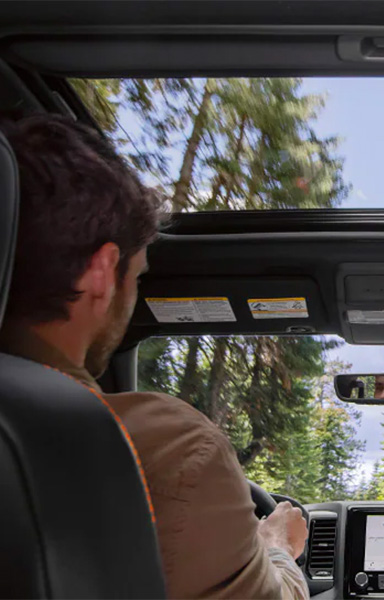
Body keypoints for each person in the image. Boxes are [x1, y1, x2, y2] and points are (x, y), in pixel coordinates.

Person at [0, 115, 309, 600]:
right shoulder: (171, 449)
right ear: (102, 273)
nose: (134, 292)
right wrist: (275, 548)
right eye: (137, 276)